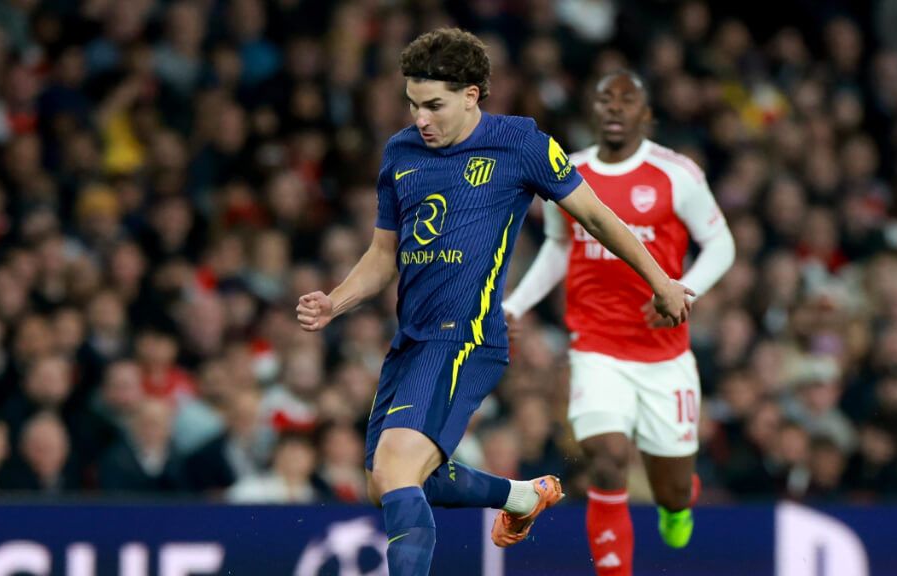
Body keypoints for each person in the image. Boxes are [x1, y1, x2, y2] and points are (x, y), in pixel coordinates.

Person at [296, 30, 692, 576]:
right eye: (412, 105)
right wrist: (335, 302)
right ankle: (520, 496)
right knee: (384, 483)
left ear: (471, 95)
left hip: (467, 334)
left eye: (434, 106)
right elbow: (384, 254)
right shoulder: (400, 153)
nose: (421, 119)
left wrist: (661, 281)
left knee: (397, 469)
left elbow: (596, 217)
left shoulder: (521, 144)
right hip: (411, 339)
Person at [503, 70, 735, 575]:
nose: (614, 107)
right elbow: (559, 246)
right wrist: (515, 305)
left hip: (664, 354)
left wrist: (681, 291)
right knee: (607, 458)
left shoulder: (677, 174)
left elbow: (721, 244)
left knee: (672, 490)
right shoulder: (568, 170)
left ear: (645, 114)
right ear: (593, 110)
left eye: (626, 100)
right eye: (604, 98)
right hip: (596, 347)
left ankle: (678, 502)